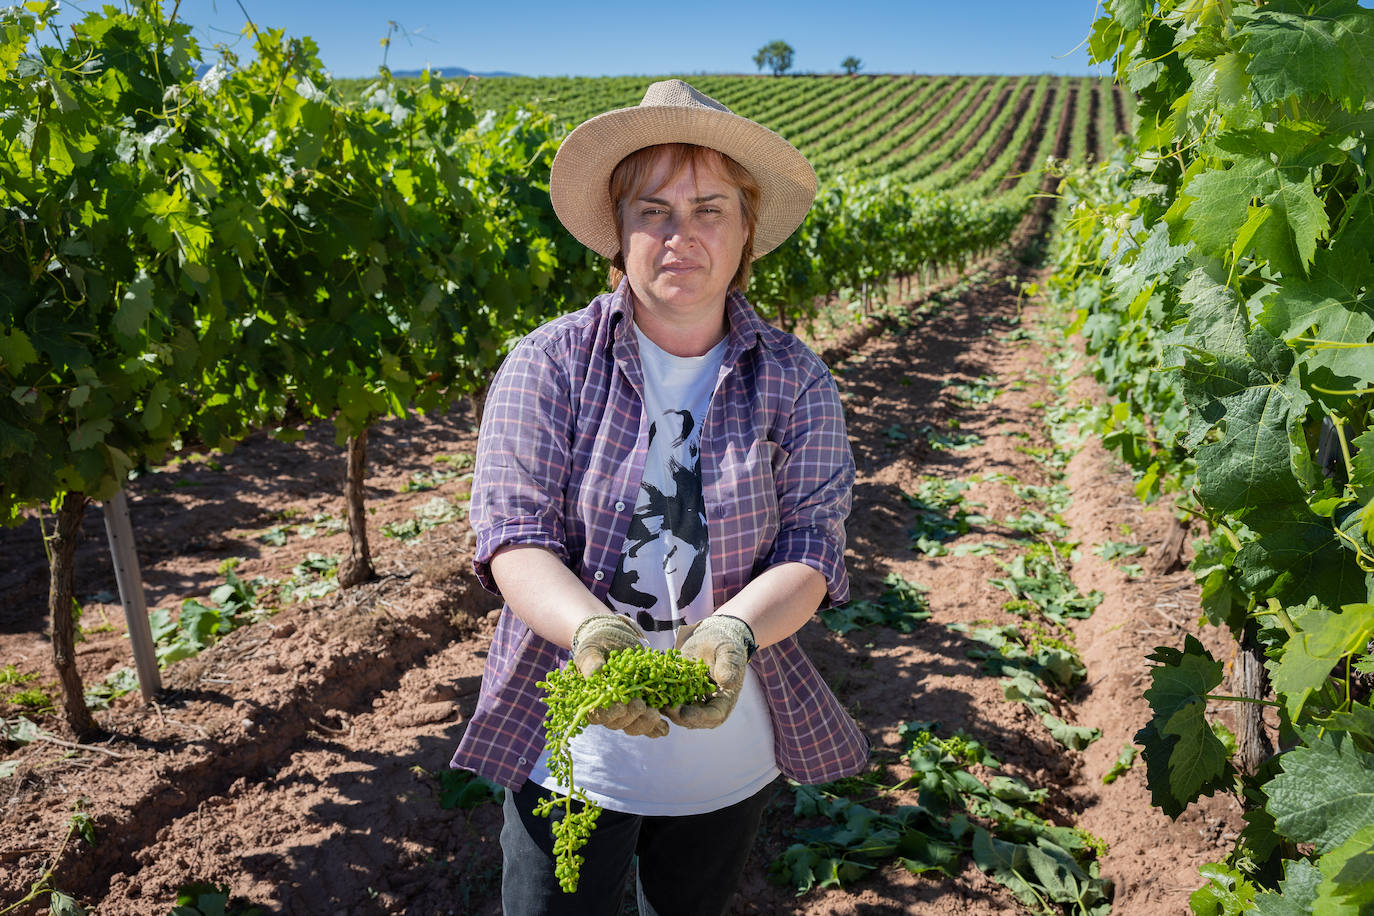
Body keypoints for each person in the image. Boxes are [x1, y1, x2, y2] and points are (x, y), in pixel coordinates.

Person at [450, 78, 868, 916]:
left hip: (727, 766)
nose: (681, 236)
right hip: (569, 756)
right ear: (620, 232)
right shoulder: (551, 363)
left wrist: (731, 631)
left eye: (710, 209)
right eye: (654, 211)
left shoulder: (795, 379)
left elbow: (813, 549)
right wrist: (594, 632)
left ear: (747, 232)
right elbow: (512, 533)